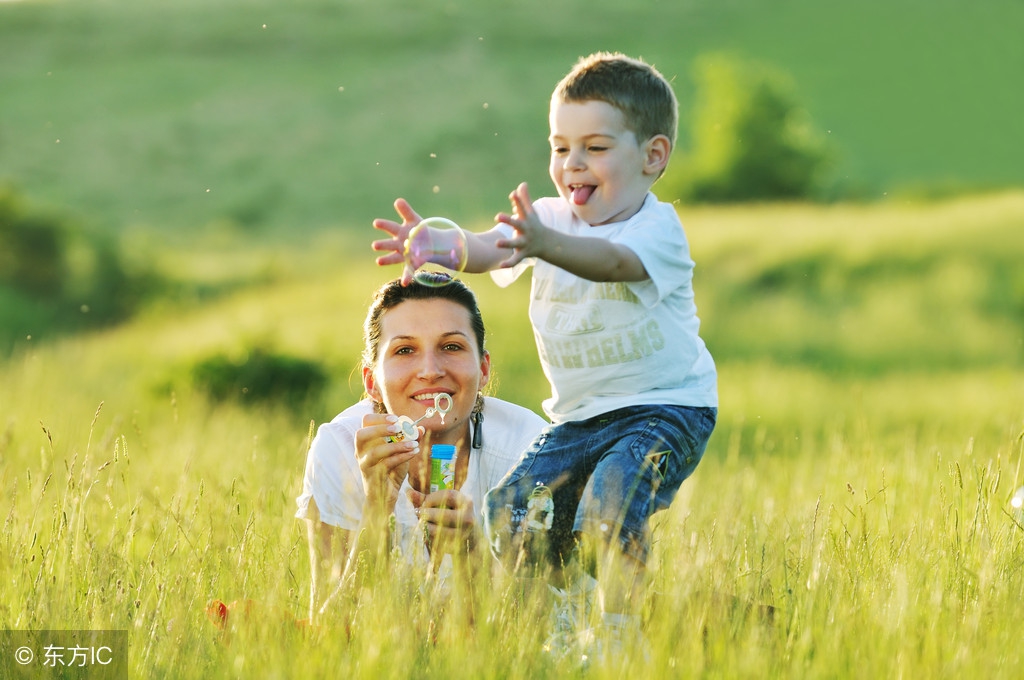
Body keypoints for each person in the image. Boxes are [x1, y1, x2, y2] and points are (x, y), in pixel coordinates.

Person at [371, 52, 717, 658]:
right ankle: (553, 625)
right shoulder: (548, 220)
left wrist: (546, 243)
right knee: (510, 513)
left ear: (652, 157)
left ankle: (620, 633)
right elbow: (488, 248)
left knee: (609, 506)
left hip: (665, 409)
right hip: (578, 419)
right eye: (560, 148)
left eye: (595, 147)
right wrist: (438, 244)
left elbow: (609, 264)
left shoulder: (653, 231)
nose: (572, 164)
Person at [295, 274, 546, 622]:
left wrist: (473, 560)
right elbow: (330, 632)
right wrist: (377, 510)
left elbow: (544, 628)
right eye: (405, 350)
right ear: (373, 383)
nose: (430, 371)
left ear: (483, 368)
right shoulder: (339, 448)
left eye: (452, 347)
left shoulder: (530, 449)